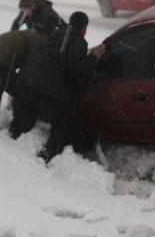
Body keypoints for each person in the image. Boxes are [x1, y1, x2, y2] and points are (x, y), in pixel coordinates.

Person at [14, 11, 105, 162]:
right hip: (46, 86)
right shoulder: (78, 41)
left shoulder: (57, 34)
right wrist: (94, 57)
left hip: (26, 79)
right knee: (63, 123)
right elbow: (76, 68)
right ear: (85, 27)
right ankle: (46, 156)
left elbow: (59, 57)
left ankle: (12, 140)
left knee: (27, 115)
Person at [0, 28, 46, 118]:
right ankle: (17, 118)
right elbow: (30, 66)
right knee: (16, 89)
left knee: (0, 87)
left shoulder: (27, 35)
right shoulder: (36, 40)